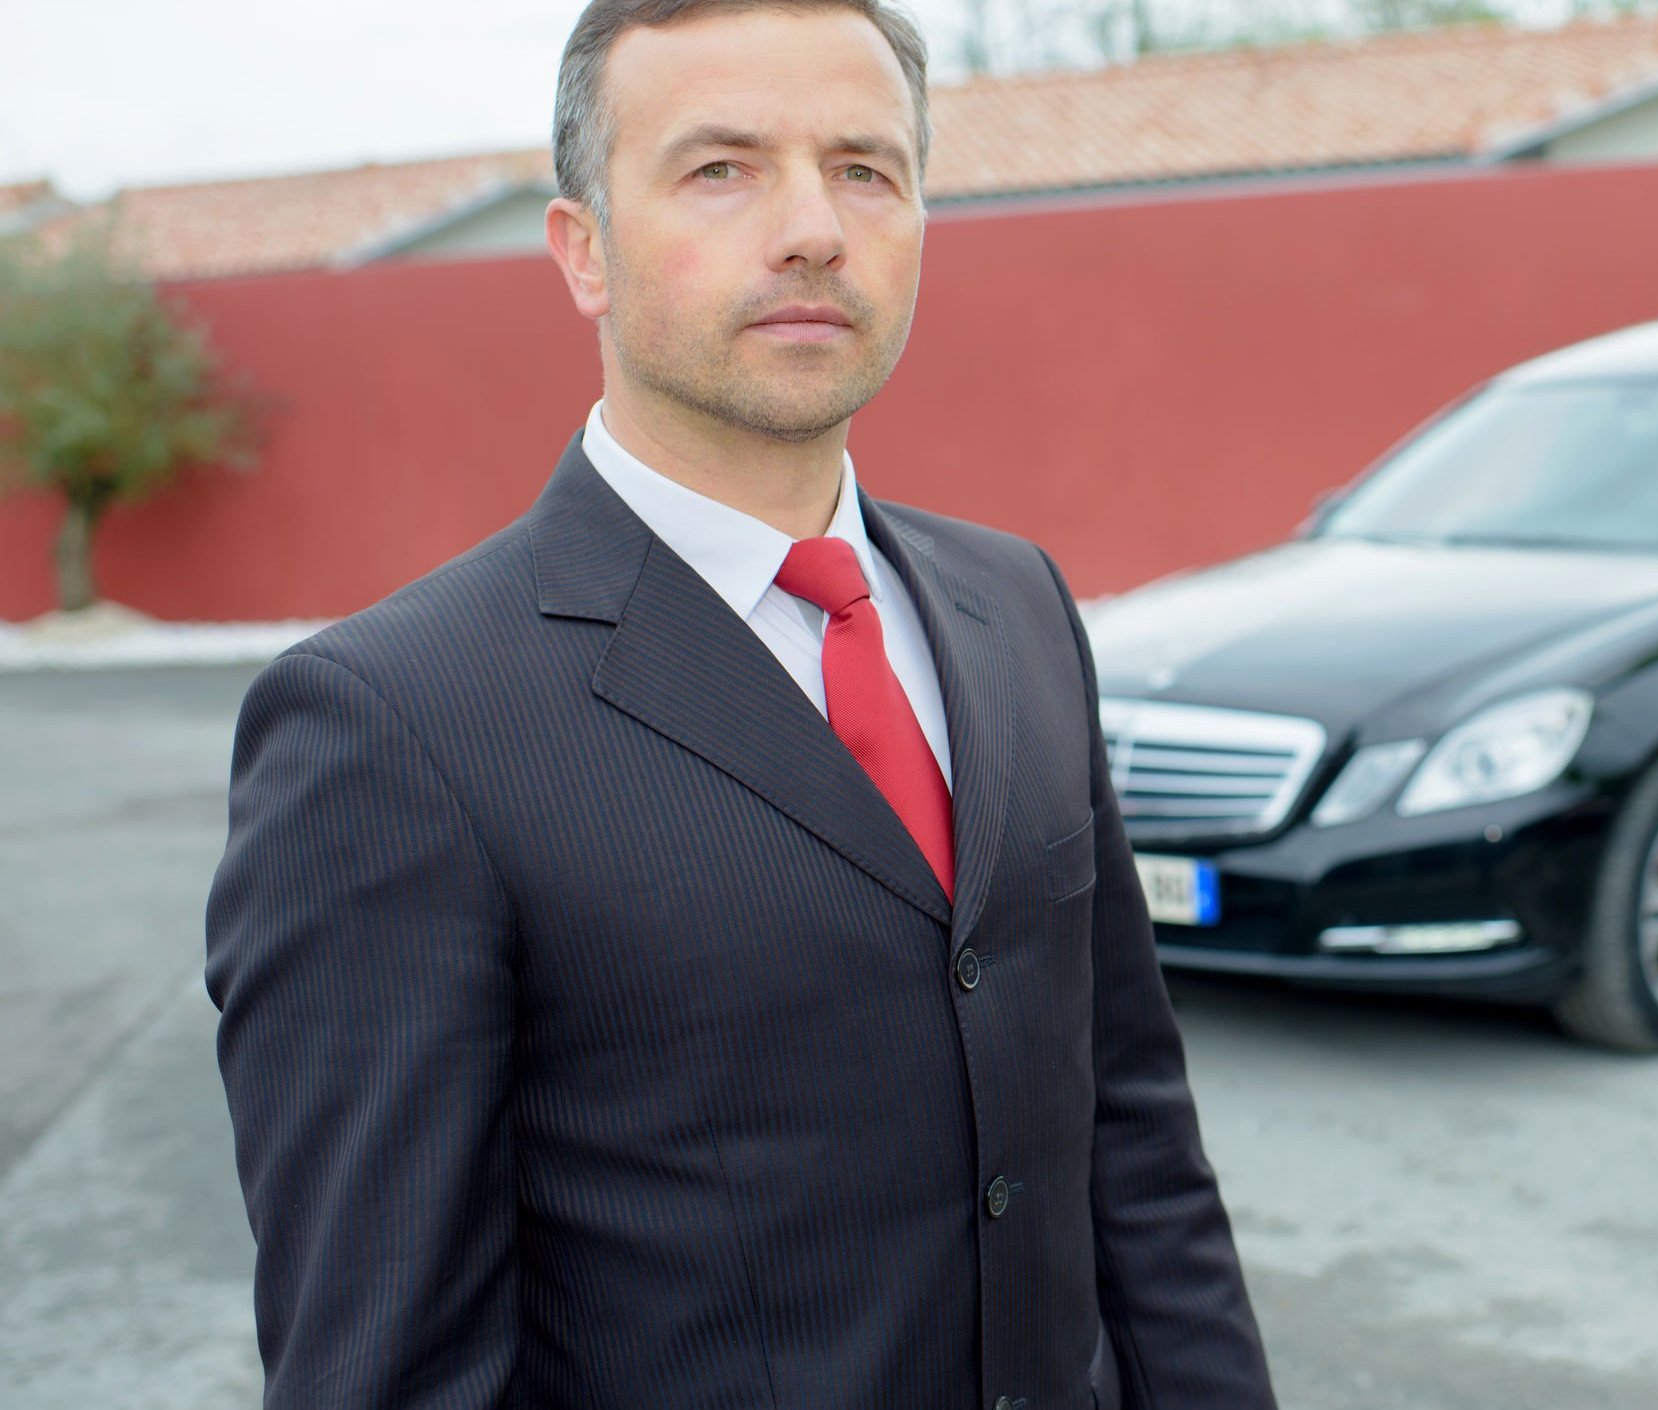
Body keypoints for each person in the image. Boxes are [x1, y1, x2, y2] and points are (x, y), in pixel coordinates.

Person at [201, 1, 1277, 1405]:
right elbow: (386, 1366)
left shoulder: (1016, 604)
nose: (814, 228)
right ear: (582, 250)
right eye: (721, 168)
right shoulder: (390, 725)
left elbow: (1130, 1136)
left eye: (865, 169)